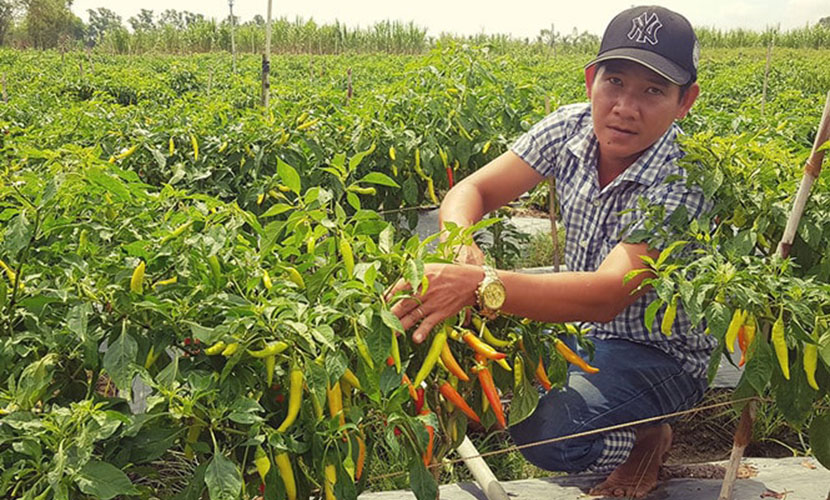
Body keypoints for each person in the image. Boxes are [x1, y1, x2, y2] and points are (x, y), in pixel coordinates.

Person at [387, 5, 715, 498]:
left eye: (653, 90)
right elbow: (471, 191)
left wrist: (481, 285)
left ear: (685, 100)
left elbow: (607, 294)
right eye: (615, 82)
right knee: (501, 387)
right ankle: (616, 419)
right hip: (579, 332)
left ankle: (650, 435)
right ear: (591, 81)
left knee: (550, 433)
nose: (626, 106)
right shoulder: (569, 127)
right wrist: (462, 246)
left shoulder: (684, 175)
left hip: (659, 354)